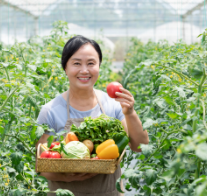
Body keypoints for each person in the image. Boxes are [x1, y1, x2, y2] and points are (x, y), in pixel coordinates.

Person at [35, 35, 149, 196]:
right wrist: (69, 178)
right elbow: (40, 166)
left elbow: (139, 146)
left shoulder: (113, 105)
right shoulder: (50, 111)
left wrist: (130, 112)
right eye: (76, 63)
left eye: (91, 63)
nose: (84, 70)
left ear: (99, 67)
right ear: (65, 68)